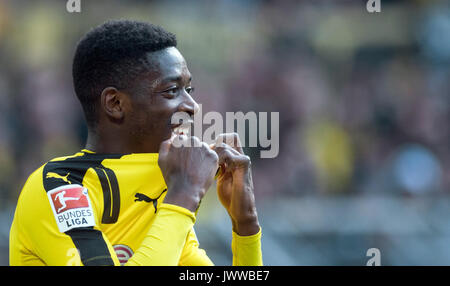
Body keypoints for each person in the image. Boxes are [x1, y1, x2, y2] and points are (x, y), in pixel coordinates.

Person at [9, 20, 262, 266]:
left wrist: (246, 225)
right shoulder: (59, 186)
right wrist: (185, 193)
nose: (192, 106)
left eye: (189, 90)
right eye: (171, 90)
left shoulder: (160, 187)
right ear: (115, 104)